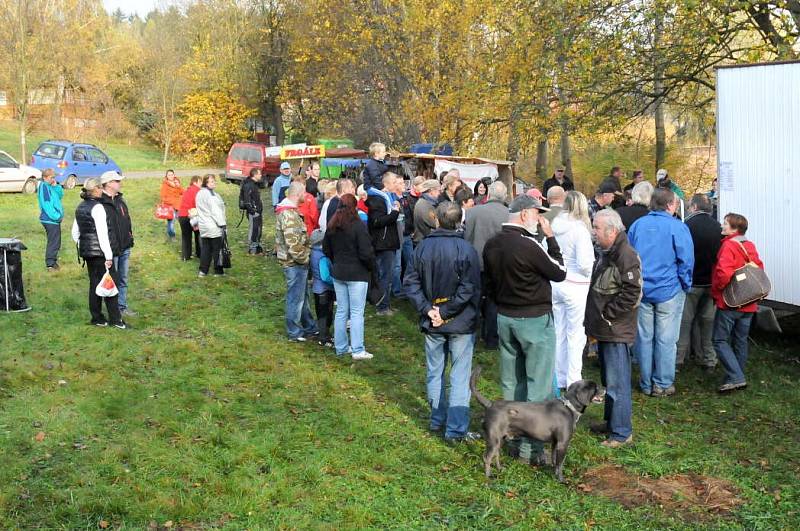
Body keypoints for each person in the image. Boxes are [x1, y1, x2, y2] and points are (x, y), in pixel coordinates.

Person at [483, 194, 567, 465]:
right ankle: (531, 450)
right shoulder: (530, 245)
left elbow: (490, 284)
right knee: (538, 385)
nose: (539, 219)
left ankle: (512, 436)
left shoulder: (491, 244)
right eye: (536, 214)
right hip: (534, 319)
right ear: (524, 215)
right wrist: (551, 238)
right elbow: (560, 272)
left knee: (511, 381)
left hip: (505, 317)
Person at [405, 201, 482, 443]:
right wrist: (431, 310)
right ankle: (450, 425)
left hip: (447, 319)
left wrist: (437, 311)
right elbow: (412, 282)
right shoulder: (458, 249)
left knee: (437, 371)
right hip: (451, 320)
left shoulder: (428, 248)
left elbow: (467, 287)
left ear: (437, 220)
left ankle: (445, 422)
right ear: (459, 222)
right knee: (455, 374)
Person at [628, 188, 694, 397]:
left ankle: (646, 382)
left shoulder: (638, 225)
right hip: (669, 290)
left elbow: (629, 257)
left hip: (643, 289)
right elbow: (686, 260)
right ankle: (662, 384)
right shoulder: (677, 227)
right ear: (670, 205)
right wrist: (685, 284)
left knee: (644, 338)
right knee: (666, 339)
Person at [585, 209, 642, 448]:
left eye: (596, 228)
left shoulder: (625, 255)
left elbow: (633, 293)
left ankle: (621, 433)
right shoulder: (609, 252)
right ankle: (611, 423)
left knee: (618, 382)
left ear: (612, 230)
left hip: (616, 329)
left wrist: (608, 314)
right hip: (606, 328)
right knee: (610, 379)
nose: (593, 232)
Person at [711, 213, 764, 393]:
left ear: (734, 228)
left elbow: (723, 274)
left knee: (719, 339)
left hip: (730, 303)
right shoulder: (749, 245)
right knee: (740, 341)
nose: (722, 226)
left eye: (725, 224)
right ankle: (736, 376)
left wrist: (718, 290)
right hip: (749, 301)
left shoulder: (728, 246)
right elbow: (759, 268)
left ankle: (736, 377)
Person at [323, 194, 375, 360]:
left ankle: (341, 347)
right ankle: (358, 349)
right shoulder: (358, 226)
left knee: (342, 311)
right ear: (355, 206)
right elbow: (366, 253)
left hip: (339, 273)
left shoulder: (333, 224)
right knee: (357, 313)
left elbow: (326, 248)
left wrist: (336, 261)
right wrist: (371, 268)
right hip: (357, 274)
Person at [551, 191, 595, 390]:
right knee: (575, 334)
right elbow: (585, 263)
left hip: (556, 282)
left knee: (558, 330)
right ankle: (572, 379)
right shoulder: (580, 230)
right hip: (576, 284)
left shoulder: (554, 224)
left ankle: (558, 376)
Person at [71, 178, 125, 329]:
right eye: (100, 187)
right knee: (111, 284)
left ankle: (97, 318)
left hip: (87, 253)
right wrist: (108, 256)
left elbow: (75, 233)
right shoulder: (98, 207)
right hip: (100, 253)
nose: (102, 190)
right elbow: (103, 235)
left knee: (94, 284)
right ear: (95, 189)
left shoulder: (80, 206)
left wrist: (84, 246)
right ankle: (116, 320)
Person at [677, 194, 722, 371]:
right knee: (708, 323)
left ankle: (678, 360)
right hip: (711, 284)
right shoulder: (718, 228)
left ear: (694, 207)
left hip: (691, 283)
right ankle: (709, 360)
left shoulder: (685, 226)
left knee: (684, 322)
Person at [464, 180, 507, 349]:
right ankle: (491, 339)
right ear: (505, 196)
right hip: (499, 266)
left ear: (488, 194)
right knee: (494, 303)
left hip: (476, 263)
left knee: (473, 301)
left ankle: (469, 338)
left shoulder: (473, 212)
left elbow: (467, 238)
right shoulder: (509, 214)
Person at [276, 182, 318, 342]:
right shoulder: (289, 215)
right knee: (296, 298)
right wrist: (307, 259)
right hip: (295, 264)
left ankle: (309, 326)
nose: (306, 196)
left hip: (297, 263)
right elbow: (293, 245)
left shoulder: (291, 212)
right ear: (298, 194)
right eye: (304, 193)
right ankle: (294, 331)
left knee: (303, 297)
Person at [366, 172, 403, 315]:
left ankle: (385, 303)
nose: (396, 184)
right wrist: (394, 213)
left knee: (388, 274)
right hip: (383, 243)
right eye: (394, 182)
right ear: (386, 184)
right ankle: (382, 307)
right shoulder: (378, 199)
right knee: (384, 275)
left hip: (389, 242)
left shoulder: (388, 197)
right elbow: (377, 221)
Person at [99, 171, 135, 317]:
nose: (120, 183)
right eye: (117, 181)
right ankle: (112, 311)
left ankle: (122, 307)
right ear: (108, 183)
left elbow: (127, 220)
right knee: (111, 281)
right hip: (111, 250)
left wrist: (130, 238)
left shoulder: (121, 200)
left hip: (125, 247)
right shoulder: (100, 203)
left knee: (123, 279)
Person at [195, 174, 228, 277]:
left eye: (214, 181)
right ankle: (218, 271)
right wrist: (222, 224)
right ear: (206, 183)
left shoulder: (200, 193)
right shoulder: (210, 195)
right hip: (213, 225)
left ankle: (203, 271)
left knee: (205, 249)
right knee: (217, 249)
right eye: (212, 181)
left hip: (204, 225)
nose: (214, 183)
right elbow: (215, 211)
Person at [309, 229, 334, 348]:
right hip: (324, 290)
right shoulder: (322, 256)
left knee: (320, 314)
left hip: (316, 289)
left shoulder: (313, 253)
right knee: (326, 315)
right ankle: (324, 338)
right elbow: (325, 276)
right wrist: (336, 282)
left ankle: (323, 334)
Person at [37, 168, 64, 271]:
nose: (53, 179)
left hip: (53, 219)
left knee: (56, 241)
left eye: (54, 177)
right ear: (44, 178)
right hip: (50, 219)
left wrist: (56, 186)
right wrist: (56, 216)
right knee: (53, 242)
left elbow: (60, 195)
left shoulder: (50, 186)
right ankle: (50, 264)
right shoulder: (44, 187)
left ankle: (53, 261)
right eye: (51, 177)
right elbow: (47, 204)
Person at [178, 175, 203, 261]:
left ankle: (185, 256)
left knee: (186, 237)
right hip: (193, 217)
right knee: (198, 234)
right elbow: (198, 204)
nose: (201, 183)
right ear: (195, 182)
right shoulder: (198, 191)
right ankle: (200, 254)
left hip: (182, 216)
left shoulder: (187, 190)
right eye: (200, 182)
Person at [240, 168, 264, 254]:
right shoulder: (248, 185)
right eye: (259, 174)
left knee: (258, 229)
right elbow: (247, 201)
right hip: (254, 212)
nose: (261, 175)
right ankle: (252, 249)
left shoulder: (254, 184)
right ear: (255, 175)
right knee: (253, 229)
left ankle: (257, 247)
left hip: (258, 211)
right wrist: (253, 211)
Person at [159, 169, 184, 241]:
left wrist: (179, 186)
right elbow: (163, 197)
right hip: (170, 206)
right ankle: (172, 235)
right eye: (169, 175)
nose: (171, 176)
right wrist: (172, 202)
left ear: (174, 175)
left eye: (172, 174)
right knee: (171, 222)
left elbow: (183, 192)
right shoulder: (165, 185)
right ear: (166, 176)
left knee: (182, 220)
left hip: (179, 205)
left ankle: (185, 234)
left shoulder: (177, 182)